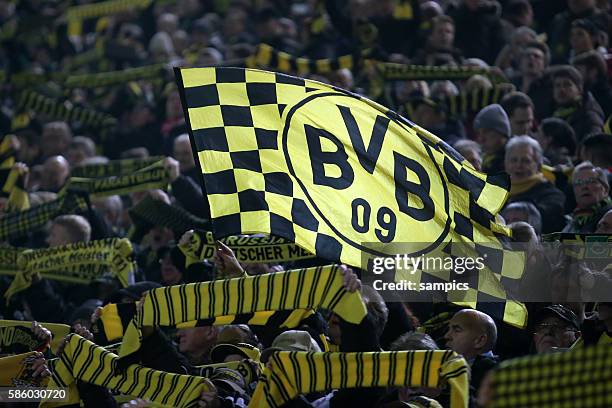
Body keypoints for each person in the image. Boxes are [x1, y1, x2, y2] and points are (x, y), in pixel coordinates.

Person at [504, 136, 566, 233]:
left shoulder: (552, 195)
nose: (518, 165)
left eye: (526, 161)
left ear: (539, 166)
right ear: (506, 164)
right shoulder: (497, 193)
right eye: (513, 160)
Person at [444, 309, 498, 393]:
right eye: (449, 329)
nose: (446, 336)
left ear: (480, 340)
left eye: (457, 330)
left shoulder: (497, 380)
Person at [552, 65, 604, 140]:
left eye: (567, 85)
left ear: (579, 89)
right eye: (557, 85)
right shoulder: (555, 114)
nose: (562, 89)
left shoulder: (589, 116)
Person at [564, 161, 612, 232]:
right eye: (578, 183)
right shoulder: (573, 220)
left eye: (591, 181)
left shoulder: (609, 219)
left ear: (605, 189)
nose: (584, 186)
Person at [473, 104, 510, 174]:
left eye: (486, 132)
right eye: (479, 133)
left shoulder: (512, 159)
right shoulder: (483, 158)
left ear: (501, 132)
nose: (481, 139)